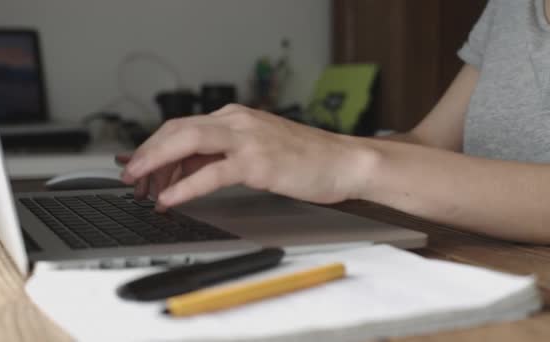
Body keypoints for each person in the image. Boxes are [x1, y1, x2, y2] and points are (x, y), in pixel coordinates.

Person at [118, 0, 550, 244]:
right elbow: (430, 140)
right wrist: (279, 155)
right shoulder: (510, 7)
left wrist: (350, 163)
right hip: (482, 266)